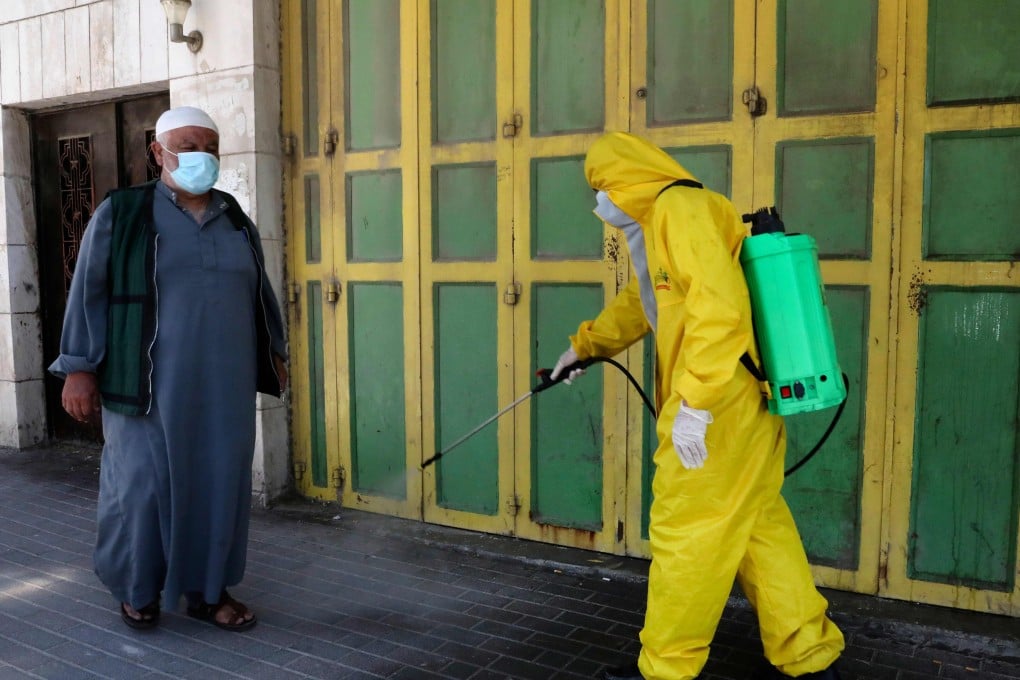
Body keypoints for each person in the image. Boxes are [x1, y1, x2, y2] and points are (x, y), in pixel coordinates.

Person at [548, 132, 844, 680]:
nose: (600, 204)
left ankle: (666, 670)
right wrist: (584, 347)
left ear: (622, 180)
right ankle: (810, 655)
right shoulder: (666, 218)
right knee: (757, 526)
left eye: (599, 189)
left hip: (717, 406)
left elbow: (721, 309)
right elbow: (647, 300)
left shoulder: (678, 210)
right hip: (734, 403)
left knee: (685, 533)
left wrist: (696, 405)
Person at [49, 106, 288, 632]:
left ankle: (207, 592)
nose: (201, 155)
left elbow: (259, 292)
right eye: (188, 145)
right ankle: (138, 589)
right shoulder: (123, 212)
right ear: (158, 152)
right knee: (140, 488)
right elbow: (88, 290)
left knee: (217, 486)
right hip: (145, 385)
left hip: (224, 386)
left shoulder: (233, 216)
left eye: (210, 146)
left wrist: (274, 350)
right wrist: (80, 368)